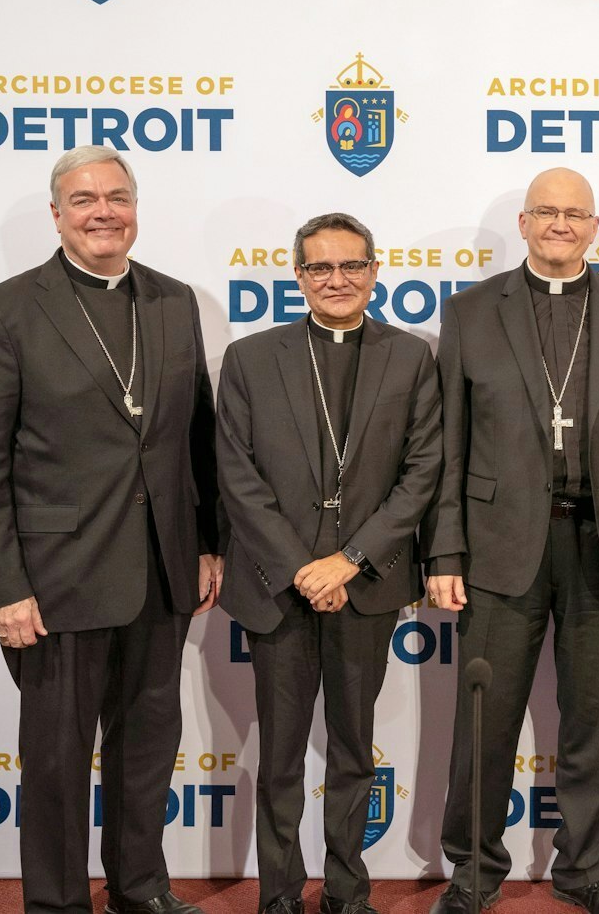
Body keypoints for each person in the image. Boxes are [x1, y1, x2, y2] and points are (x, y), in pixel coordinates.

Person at [0, 145, 225, 914]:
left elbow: (196, 436)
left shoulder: (174, 301)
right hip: (56, 582)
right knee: (57, 763)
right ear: (56, 214)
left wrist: (208, 541)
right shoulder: (6, 310)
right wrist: (3, 586)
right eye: (83, 198)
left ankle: (141, 887)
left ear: (136, 208)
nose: (103, 210)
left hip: (162, 571)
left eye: (117, 196)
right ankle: (58, 903)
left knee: (145, 753)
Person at [423, 168, 599, 914]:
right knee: (485, 719)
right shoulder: (471, 312)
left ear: (594, 226)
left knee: (597, 718)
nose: (561, 224)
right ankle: (472, 872)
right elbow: (448, 441)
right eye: (547, 212)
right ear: (525, 223)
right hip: (498, 546)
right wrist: (444, 551)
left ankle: (586, 867)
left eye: (575, 214)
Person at [217, 213, 443, 914]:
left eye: (351, 266)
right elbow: (237, 475)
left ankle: (348, 890)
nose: (337, 279)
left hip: (365, 586)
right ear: (298, 276)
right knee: (280, 757)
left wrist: (346, 561)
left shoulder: (410, 357)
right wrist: (300, 568)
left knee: (354, 750)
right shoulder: (252, 358)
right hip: (276, 590)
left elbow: (421, 470)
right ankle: (279, 894)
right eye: (320, 267)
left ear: (376, 271)